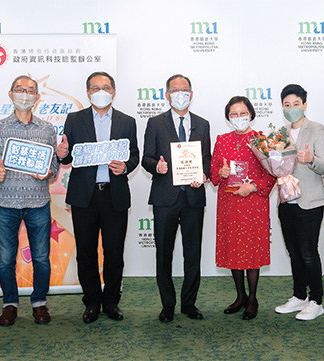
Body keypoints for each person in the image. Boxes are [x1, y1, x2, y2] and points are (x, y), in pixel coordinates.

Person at [57, 71, 139, 323]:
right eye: (95, 88)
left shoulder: (127, 121)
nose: (100, 91)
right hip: (85, 196)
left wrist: (125, 167)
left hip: (114, 195)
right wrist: (62, 154)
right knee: (86, 252)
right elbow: (69, 156)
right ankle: (91, 302)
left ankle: (112, 302)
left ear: (113, 91)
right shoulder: (74, 119)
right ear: (88, 92)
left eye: (105, 87)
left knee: (114, 252)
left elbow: (134, 154)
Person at [0, 75, 59, 326]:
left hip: (38, 201)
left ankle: (39, 302)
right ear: (10, 94)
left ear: (38, 97)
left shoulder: (47, 129)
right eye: (19, 89)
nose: (24, 94)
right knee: (6, 259)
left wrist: (49, 172)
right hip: (6, 201)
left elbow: (54, 164)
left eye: (30, 90)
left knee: (41, 258)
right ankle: (10, 303)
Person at [140, 74, 211, 323]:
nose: (180, 94)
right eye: (175, 90)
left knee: (193, 254)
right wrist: (156, 167)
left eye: (185, 90)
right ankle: (167, 304)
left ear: (191, 94)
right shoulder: (155, 123)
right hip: (165, 198)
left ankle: (189, 303)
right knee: (164, 254)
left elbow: (207, 159)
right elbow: (146, 158)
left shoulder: (202, 124)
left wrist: (204, 174)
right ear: (167, 94)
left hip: (192, 197)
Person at [209, 96, 276, 320]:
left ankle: (253, 298)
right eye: (233, 114)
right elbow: (213, 172)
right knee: (233, 248)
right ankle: (240, 295)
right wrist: (220, 173)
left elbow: (272, 174)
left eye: (243, 113)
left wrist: (254, 186)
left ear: (251, 114)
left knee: (252, 250)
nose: (239, 118)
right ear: (228, 118)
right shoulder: (222, 140)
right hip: (229, 203)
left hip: (254, 201)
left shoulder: (261, 140)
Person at [273, 84, 324, 321]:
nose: (291, 108)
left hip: (310, 200)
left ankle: (316, 300)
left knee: (308, 253)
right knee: (294, 252)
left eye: (296, 104)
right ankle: (299, 296)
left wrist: (310, 159)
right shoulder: (280, 132)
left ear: (304, 105)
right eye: (287, 105)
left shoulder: (316, 129)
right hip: (286, 200)